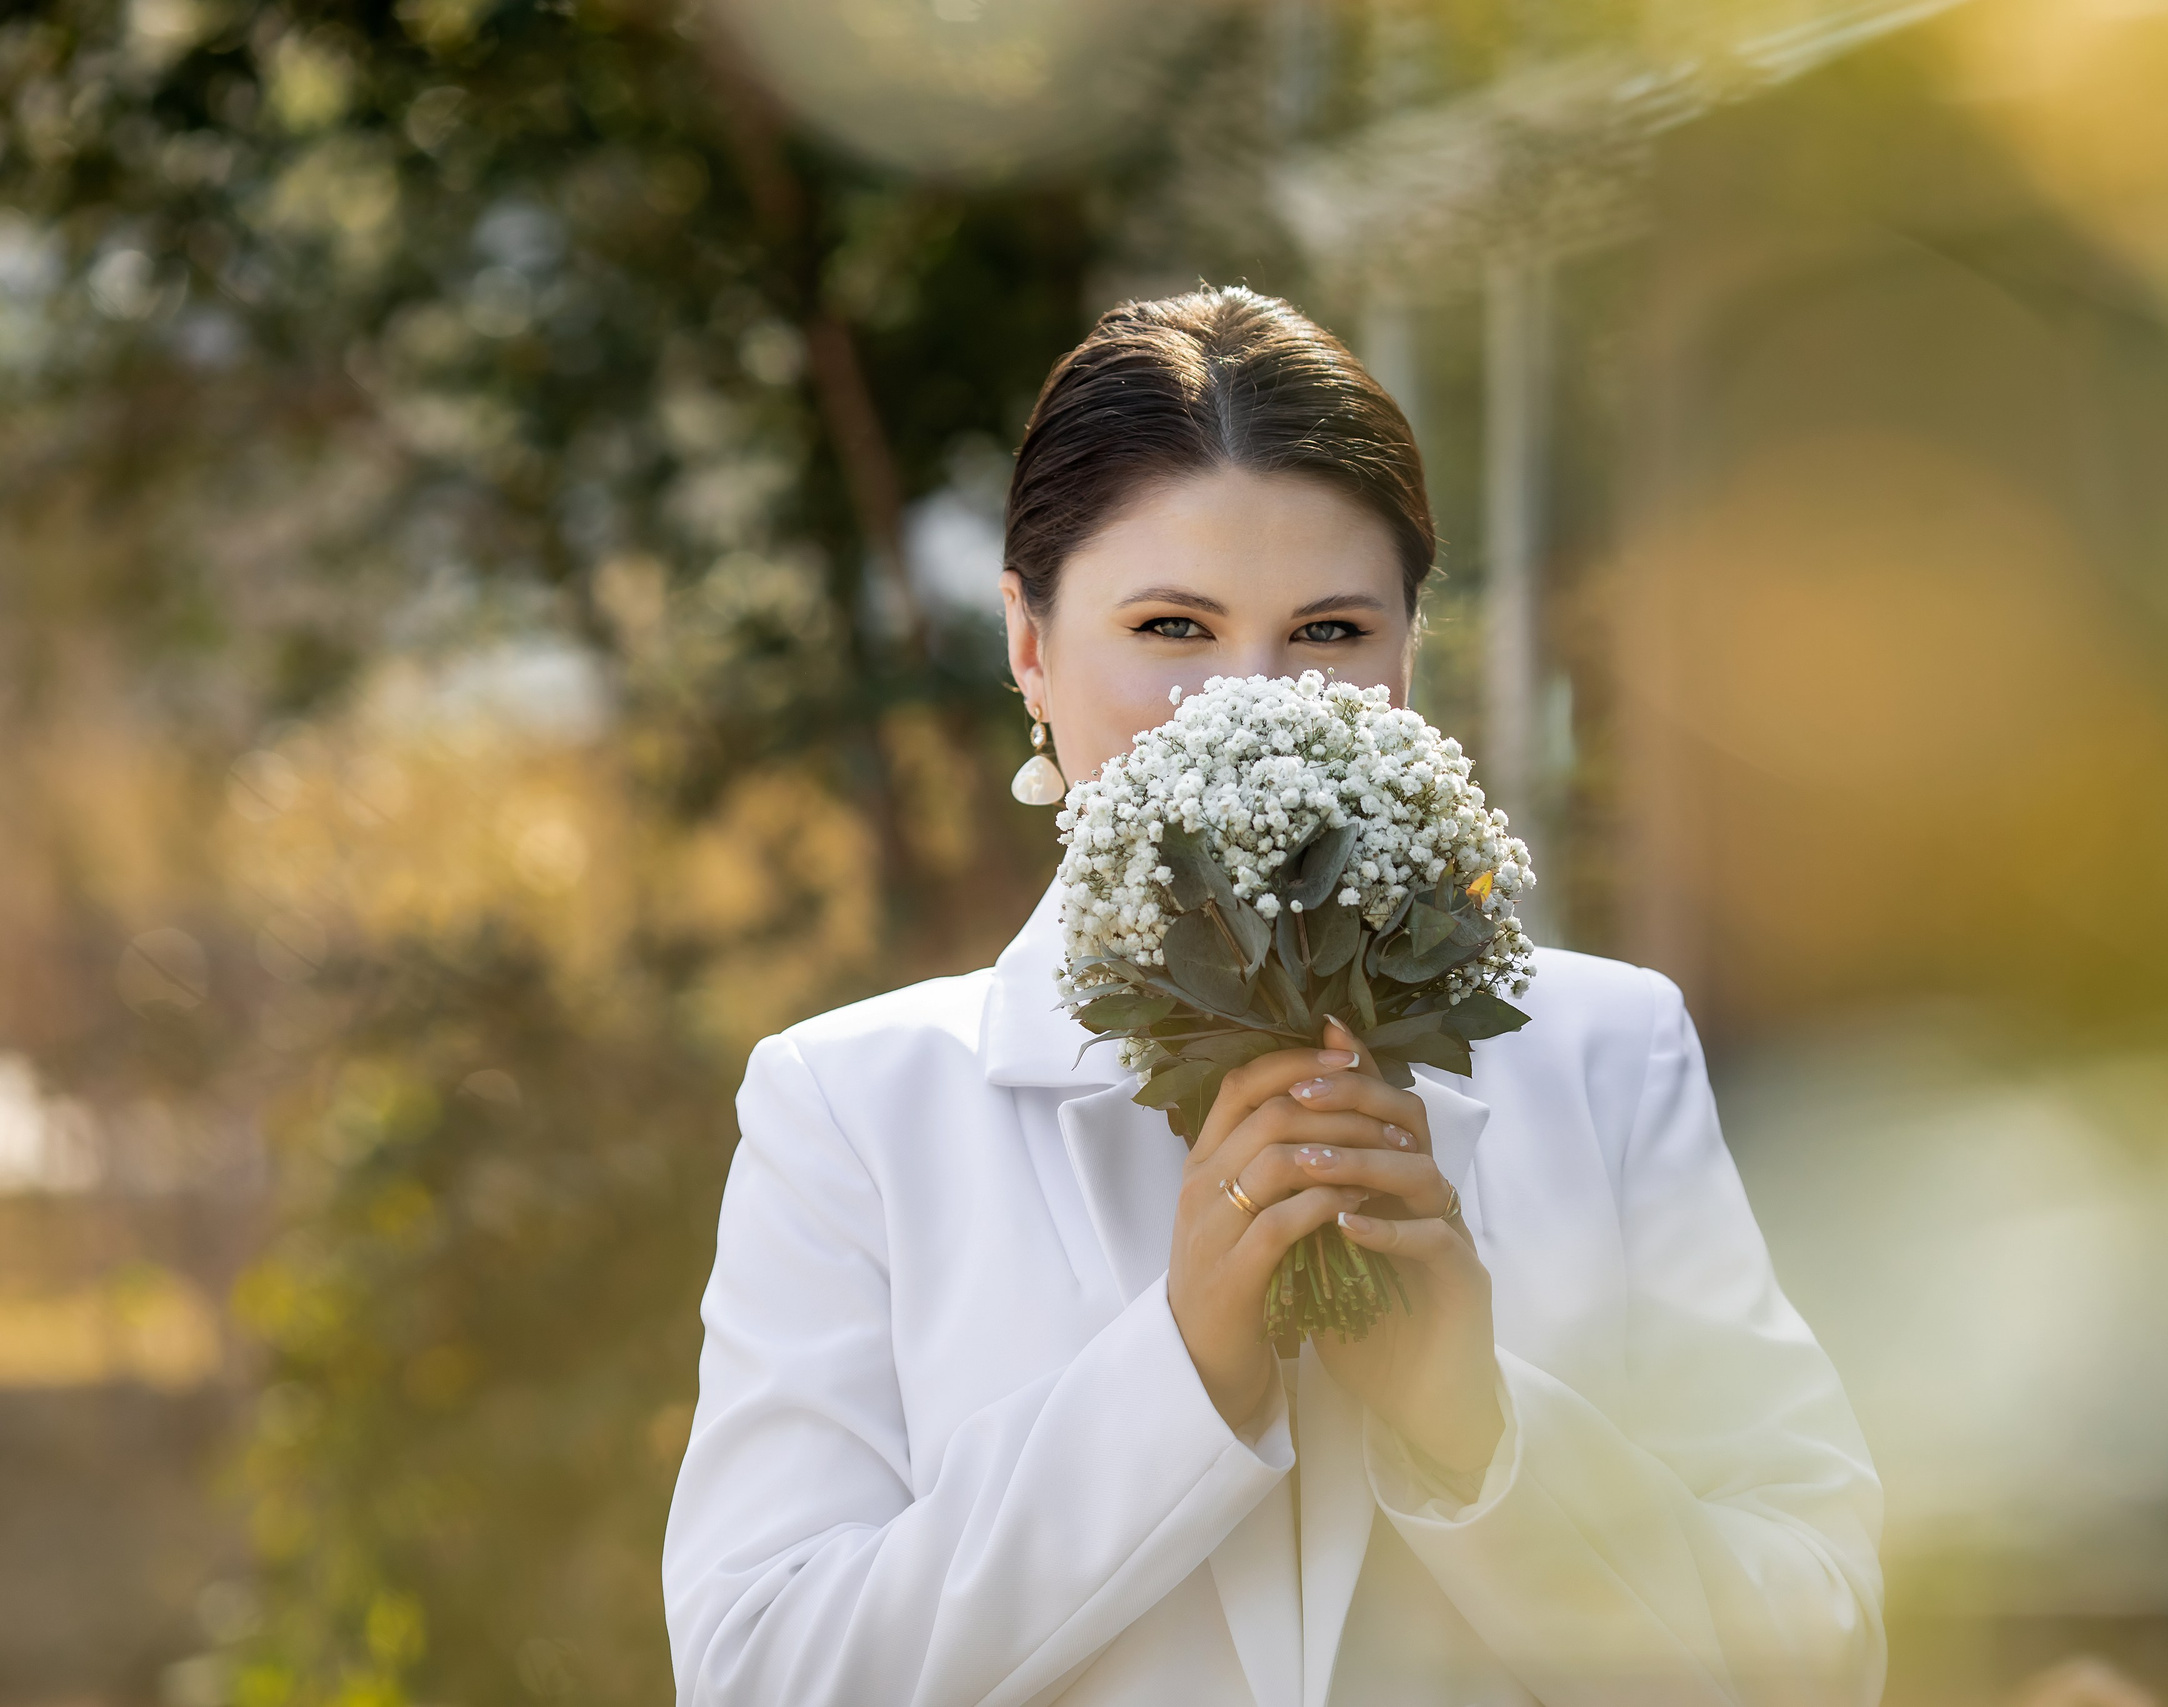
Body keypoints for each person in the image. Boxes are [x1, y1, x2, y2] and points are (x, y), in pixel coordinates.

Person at [661, 287, 1883, 1707]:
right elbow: (759, 1676)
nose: (1253, 703)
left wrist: (1478, 1432)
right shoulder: (854, 1109)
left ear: (1407, 657)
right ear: (1030, 646)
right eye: (1173, 627)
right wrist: (1177, 1378)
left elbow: (1823, 1644)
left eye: (1328, 632)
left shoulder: (1610, 1052)